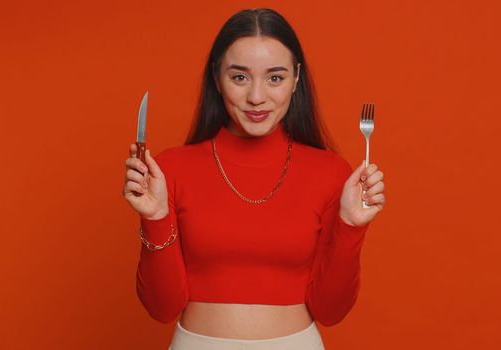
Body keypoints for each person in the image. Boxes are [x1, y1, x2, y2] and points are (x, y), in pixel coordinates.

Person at [123, 7, 386, 350]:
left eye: (275, 78)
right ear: (217, 78)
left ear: (296, 79)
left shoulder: (331, 172)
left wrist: (351, 225)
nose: (257, 97)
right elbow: (161, 308)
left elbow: (331, 310)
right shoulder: (171, 169)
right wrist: (154, 217)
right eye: (240, 77)